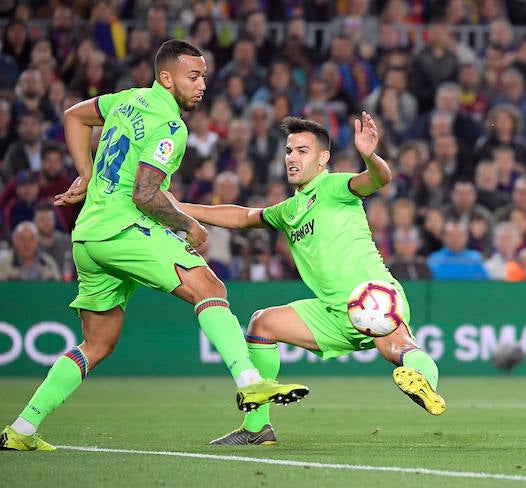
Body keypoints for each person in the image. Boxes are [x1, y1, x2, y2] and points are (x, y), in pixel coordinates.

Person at [0, 40, 308, 452]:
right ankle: (250, 383)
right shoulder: (170, 125)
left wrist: (87, 175)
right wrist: (190, 226)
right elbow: (145, 194)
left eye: (204, 77)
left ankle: (20, 429)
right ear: (166, 77)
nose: (202, 85)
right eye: (193, 76)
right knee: (211, 289)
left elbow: (74, 117)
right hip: (125, 229)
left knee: (97, 343)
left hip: (88, 235)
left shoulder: (126, 100)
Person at [173, 113, 446, 446]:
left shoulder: (333, 187)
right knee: (262, 324)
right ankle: (257, 428)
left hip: (372, 295)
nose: (291, 158)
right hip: (331, 312)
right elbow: (243, 217)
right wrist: (180, 207)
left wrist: (370, 156)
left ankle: (424, 385)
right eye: (289, 151)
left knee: (398, 348)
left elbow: (377, 179)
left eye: (302, 150)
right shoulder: (289, 210)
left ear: (322, 158)